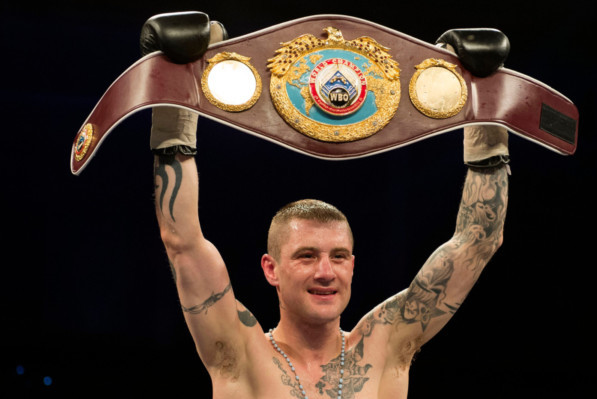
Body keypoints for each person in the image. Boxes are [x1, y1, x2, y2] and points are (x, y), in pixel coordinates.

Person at [150, 18, 509, 399]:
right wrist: (177, 90)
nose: (326, 272)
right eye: (306, 256)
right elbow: (182, 241)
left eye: (338, 257)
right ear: (271, 269)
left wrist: (483, 103)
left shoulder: (385, 347)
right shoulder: (240, 354)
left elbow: (477, 242)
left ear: (352, 266)